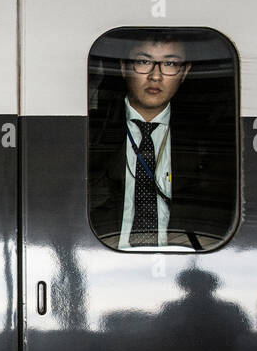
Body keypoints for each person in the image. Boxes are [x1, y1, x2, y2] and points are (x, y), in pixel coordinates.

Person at [87, 29, 236, 250]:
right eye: (143, 61)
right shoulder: (93, 134)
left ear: (184, 72)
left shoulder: (207, 143)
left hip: (182, 258)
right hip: (104, 258)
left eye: (170, 64)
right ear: (123, 66)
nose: (155, 76)